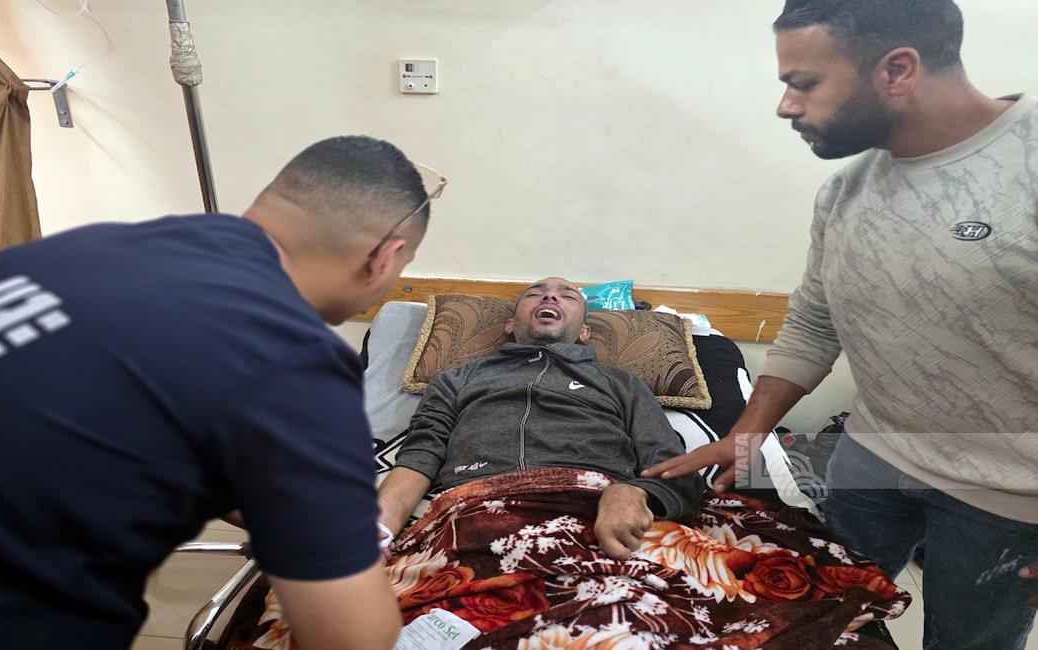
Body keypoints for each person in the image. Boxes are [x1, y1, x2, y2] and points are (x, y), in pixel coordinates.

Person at [0, 136, 442, 650]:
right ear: (384, 257)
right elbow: (350, 637)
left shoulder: (94, 249)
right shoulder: (285, 353)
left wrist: (285, 506)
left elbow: (92, 426)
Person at [643, 2, 1038, 647]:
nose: (786, 106)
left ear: (898, 71)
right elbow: (813, 323)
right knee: (819, 620)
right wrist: (745, 437)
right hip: (871, 458)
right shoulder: (846, 191)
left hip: (1009, 495)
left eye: (804, 83)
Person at [377, 278, 702, 561]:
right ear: (509, 325)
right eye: (535, 293)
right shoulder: (456, 379)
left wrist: (634, 493)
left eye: (567, 295)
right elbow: (420, 455)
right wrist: (378, 531)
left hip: (598, 510)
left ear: (585, 332)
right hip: (473, 507)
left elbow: (674, 468)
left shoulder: (623, 384)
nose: (550, 296)